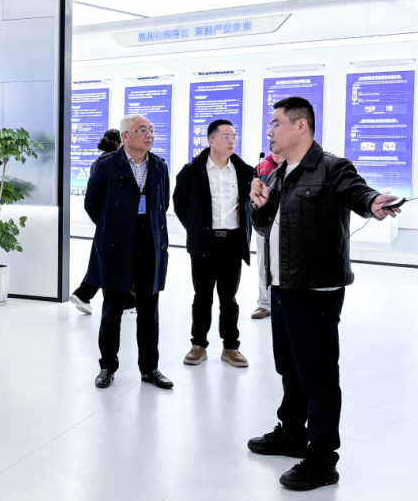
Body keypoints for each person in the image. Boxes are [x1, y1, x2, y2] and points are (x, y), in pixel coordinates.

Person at [247, 96, 399, 492]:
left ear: (301, 126)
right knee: (290, 368)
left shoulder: (332, 167)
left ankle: (322, 459)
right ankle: (292, 433)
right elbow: (265, 228)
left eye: (276, 123)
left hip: (314, 290)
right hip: (282, 286)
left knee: (318, 377)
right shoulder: (280, 174)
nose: (269, 131)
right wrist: (259, 207)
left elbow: (358, 193)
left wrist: (374, 202)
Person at [83, 114, 172, 390]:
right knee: (112, 311)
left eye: (151, 130)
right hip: (116, 246)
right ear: (125, 136)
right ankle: (107, 366)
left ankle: (150, 368)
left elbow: (163, 203)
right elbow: (92, 204)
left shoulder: (159, 166)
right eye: (142, 130)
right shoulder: (106, 166)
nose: (149, 135)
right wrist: (112, 229)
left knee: (149, 311)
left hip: (150, 245)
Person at [174, 119, 255, 368]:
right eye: (226, 136)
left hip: (232, 243)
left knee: (229, 298)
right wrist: (196, 230)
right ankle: (198, 345)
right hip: (204, 243)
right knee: (202, 297)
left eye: (234, 137)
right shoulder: (192, 171)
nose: (232, 141)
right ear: (211, 141)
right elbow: (180, 205)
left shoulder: (244, 171)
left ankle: (231, 347)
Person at [70, 129, 137, 316]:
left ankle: (126, 301)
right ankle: (86, 294)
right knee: (113, 262)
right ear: (121, 143)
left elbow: (93, 200)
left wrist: (101, 221)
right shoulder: (114, 164)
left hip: (106, 220)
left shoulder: (97, 163)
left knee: (109, 260)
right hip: (116, 222)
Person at [251, 152, 282, 320]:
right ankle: (264, 304)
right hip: (266, 223)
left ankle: (285, 303)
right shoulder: (262, 167)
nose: (278, 157)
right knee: (264, 264)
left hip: (290, 223)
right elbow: (252, 197)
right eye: (275, 154)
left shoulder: (298, 165)